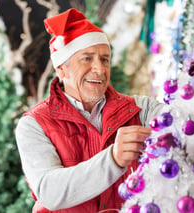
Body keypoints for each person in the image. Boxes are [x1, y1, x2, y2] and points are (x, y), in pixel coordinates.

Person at [15, 8, 166, 213]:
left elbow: (183, 121)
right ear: (61, 68)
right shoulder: (34, 124)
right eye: (87, 58)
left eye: (105, 59)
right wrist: (112, 159)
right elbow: (49, 192)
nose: (100, 69)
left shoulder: (141, 109)